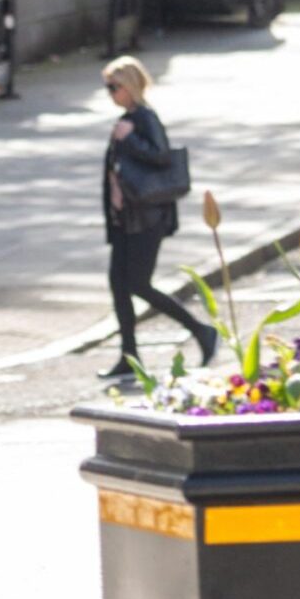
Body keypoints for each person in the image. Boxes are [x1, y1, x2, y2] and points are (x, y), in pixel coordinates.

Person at [99, 56, 217, 382]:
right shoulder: (126, 119)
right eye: (108, 87)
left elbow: (161, 155)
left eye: (114, 87)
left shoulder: (145, 119)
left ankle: (202, 331)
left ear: (130, 86)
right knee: (118, 286)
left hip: (147, 219)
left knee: (138, 284)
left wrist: (129, 139)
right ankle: (129, 355)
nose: (110, 93)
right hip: (124, 218)